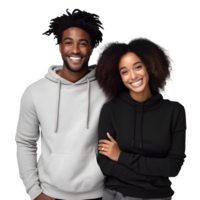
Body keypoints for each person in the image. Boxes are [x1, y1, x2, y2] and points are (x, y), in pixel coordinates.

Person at [14, 7, 110, 200]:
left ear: (91, 50)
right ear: (59, 47)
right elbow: (25, 143)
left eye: (83, 44)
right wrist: (35, 192)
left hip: (100, 194)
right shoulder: (34, 91)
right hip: (50, 195)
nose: (75, 50)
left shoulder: (108, 90)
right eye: (68, 43)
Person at [95, 36, 186, 200]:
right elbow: (105, 163)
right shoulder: (111, 110)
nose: (133, 76)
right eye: (124, 71)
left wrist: (121, 156)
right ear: (119, 76)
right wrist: (154, 176)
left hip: (157, 196)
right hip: (115, 195)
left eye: (137, 67)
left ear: (150, 66)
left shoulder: (174, 111)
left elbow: (173, 166)